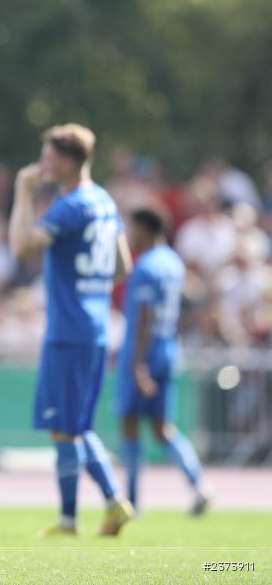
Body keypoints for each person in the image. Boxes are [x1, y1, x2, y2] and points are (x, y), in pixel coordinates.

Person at [9, 123, 135, 536]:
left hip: (69, 329)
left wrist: (22, 192)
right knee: (77, 425)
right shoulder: (104, 201)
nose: (41, 164)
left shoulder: (69, 205)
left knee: (64, 426)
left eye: (46, 156)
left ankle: (70, 518)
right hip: (96, 326)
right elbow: (122, 266)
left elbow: (22, 247)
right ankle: (113, 503)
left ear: (65, 161)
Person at [117, 208, 210, 515]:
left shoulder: (146, 267)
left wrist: (138, 363)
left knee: (129, 424)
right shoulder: (173, 263)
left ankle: (131, 502)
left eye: (132, 228)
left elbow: (144, 316)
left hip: (144, 351)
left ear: (143, 229)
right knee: (162, 428)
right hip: (169, 348)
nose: (130, 235)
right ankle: (199, 485)